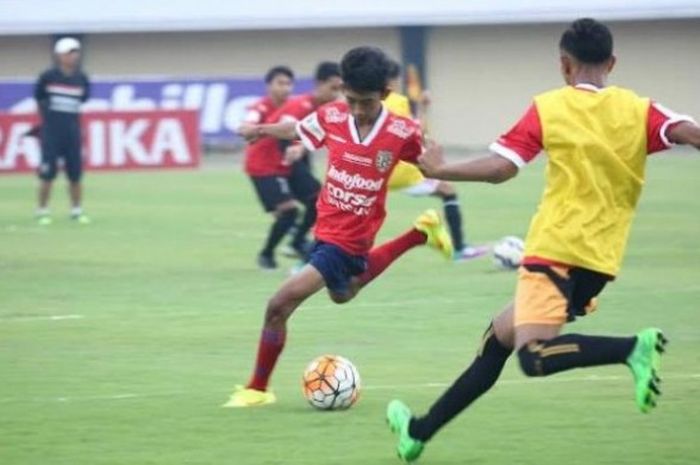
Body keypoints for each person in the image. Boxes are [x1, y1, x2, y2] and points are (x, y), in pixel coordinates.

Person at [385, 18, 700, 462]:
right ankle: (418, 432)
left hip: (555, 251)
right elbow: (692, 134)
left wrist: (439, 170)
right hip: (599, 263)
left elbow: (501, 167)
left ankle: (634, 348)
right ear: (612, 62)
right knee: (497, 338)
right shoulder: (640, 110)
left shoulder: (551, 107)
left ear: (564, 65)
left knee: (534, 357)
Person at [224, 46, 454, 408]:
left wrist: (442, 169)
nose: (358, 109)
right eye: (351, 100)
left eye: (365, 102)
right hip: (326, 229)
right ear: (342, 90)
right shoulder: (332, 114)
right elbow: (298, 129)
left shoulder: (401, 130)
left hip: (348, 239)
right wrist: (262, 130)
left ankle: (257, 389)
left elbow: (432, 164)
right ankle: (419, 234)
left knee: (278, 305)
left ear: (385, 95)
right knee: (342, 293)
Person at [384, 60, 488, 261]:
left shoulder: (373, 102)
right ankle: (460, 250)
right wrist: (423, 107)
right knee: (448, 191)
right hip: (402, 171)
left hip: (377, 171)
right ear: (394, 80)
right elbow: (418, 133)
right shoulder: (398, 101)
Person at [266, 62, 343, 260]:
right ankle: (295, 243)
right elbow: (284, 130)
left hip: (295, 156)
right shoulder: (302, 105)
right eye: (332, 88)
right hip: (279, 158)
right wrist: (297, 146)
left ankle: (295, 242)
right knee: (318, 200)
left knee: (316, 201)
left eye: (339, 89)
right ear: (319, 83)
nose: (336, 94)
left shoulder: (325, 108)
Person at [240, 65, 296, 269]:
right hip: (262, 168)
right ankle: (267, 254)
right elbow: (249, 123)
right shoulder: (260, 108)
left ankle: (294, 242)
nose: (286, 88)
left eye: (289, 84)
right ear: (269, 85)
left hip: (283, 167)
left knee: (289, 214)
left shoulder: (293, 107)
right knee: (288, 211)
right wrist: (247, 128)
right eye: (280, 83)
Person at [33, 37, 91, 225]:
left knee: (75, 174)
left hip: (72, 133)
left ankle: (76, 210)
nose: (73, 56)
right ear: (59, 55)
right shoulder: (48, 77)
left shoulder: (81, 79)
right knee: (47, 173)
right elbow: (39, 98)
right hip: (51, 133)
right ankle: (42, 210)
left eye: (76, 53)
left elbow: (82, 101)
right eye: (69, 53)